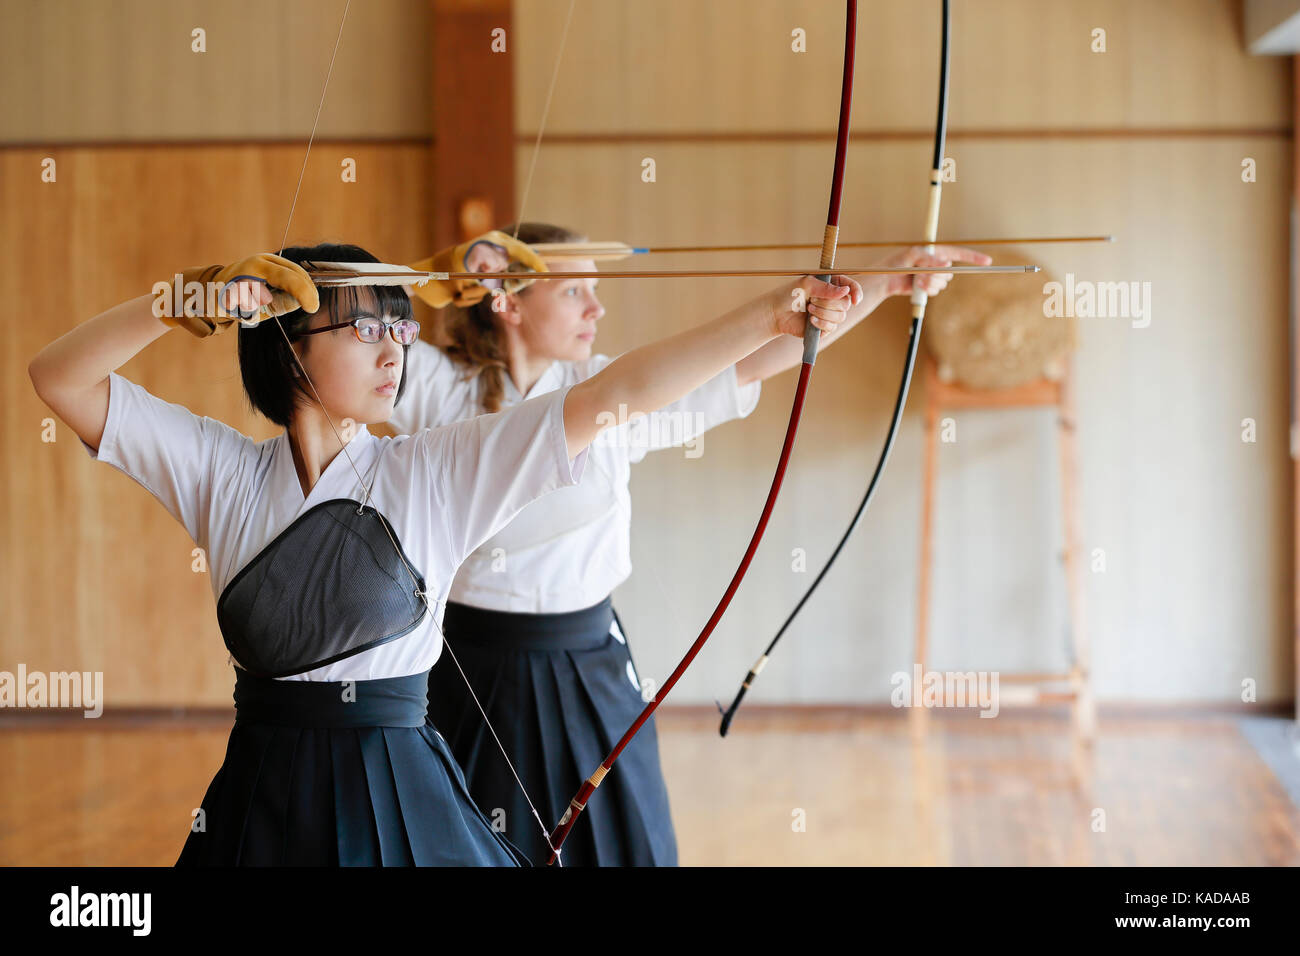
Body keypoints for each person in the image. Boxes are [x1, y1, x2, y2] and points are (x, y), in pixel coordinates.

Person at [26, 240, 859, 866]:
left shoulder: (433, 469)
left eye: (400, 326)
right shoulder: (222, 472)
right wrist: (171, 306)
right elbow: (57, 377)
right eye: (363, 329)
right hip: (261, 785)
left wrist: (772, 317)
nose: (393, 349)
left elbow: (616, 394)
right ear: (286, 345)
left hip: (396, 779)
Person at [387, 223, 988, 865]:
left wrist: (889, 279)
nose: (597, 307)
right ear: (505, 298)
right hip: (468, 665)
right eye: (573, 292)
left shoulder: (612, 385)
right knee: (465, 846)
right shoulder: (432, 385)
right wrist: (435, 273)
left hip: (587, 662)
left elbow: (756, 358)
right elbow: (343, 310)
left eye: (596, 289)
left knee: (627, 844)